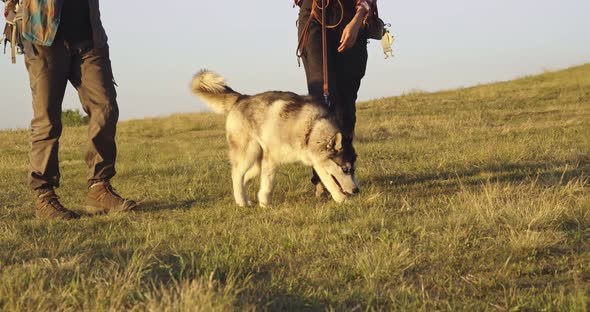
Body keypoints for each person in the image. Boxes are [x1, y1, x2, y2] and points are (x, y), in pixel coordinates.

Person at [13, 0, 136, 219]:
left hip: (88, 36)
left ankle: (99, 189)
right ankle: (44, 197)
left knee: (105, 107)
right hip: (43, 35)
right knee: (47, 119)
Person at [295, 0, 376, 196]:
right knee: (321, 101)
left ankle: (345, 172)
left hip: (352, 14)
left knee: (346, 107)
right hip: (315, 13)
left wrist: (357, 21)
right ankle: (322, 179)